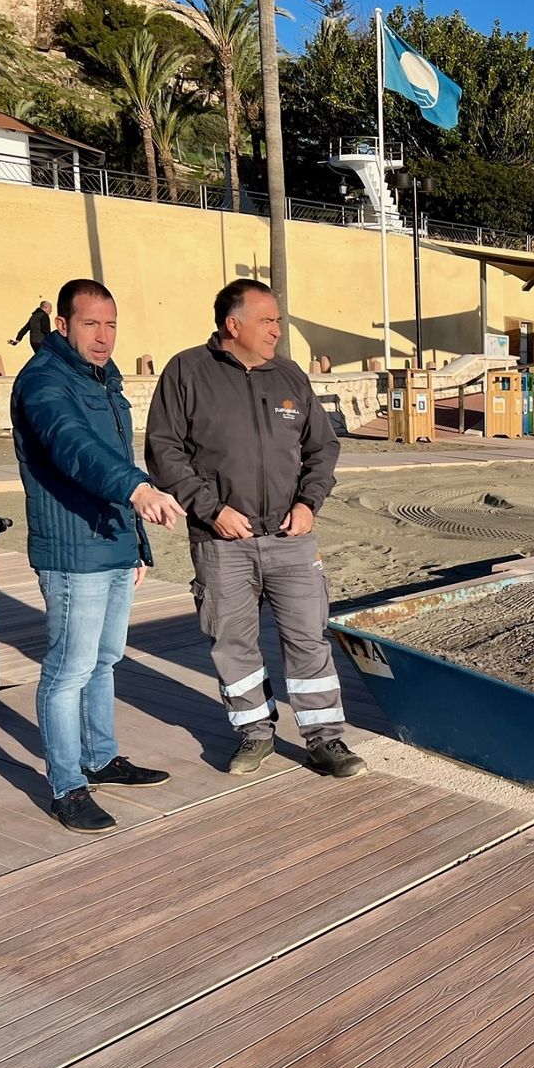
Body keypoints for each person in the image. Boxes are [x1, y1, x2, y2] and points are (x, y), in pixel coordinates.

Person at [145, 278, 366, 779]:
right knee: (232, 643)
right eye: (268, 321)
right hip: (222, 542)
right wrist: (211, 509)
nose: (277, 330)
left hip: (291, 539)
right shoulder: (187, 372)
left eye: (278, 321)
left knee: (308, 639)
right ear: (233, 323)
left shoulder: (289, 377)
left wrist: (310, 503)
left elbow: (322, 449)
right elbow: (164, 452)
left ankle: (325, 741)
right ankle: (254, 733)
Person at [11, 278, 185, 833]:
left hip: (111, 541)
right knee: (68, 670)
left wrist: (135, 544)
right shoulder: (43, 381)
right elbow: (73, 448)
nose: (104, 335)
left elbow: (113, 456)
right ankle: (67, 786)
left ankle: (101, 757)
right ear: (61, 325)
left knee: (105, 661)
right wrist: (139, 492)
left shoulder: (103, 381)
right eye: (90, 323)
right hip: (72, 551)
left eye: (111, 324)